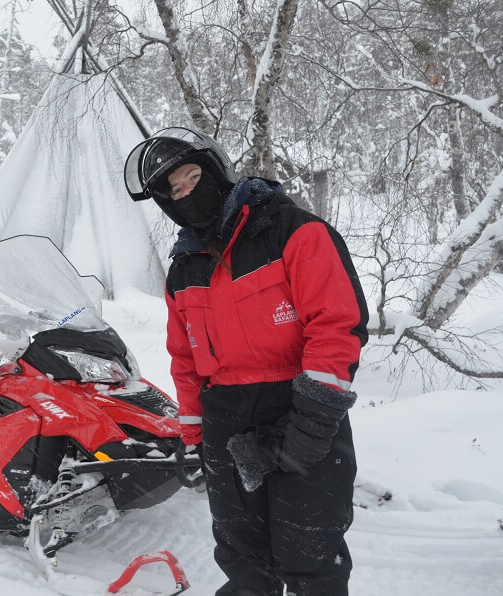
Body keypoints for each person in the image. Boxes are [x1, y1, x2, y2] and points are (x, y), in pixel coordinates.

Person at [124, 127, 369, 596]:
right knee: (242, 556)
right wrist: (194, 437)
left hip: (300, 408)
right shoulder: (184, 267)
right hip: (226, 422)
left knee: (310, 555)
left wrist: (312, 423)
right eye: (174, 190)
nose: (187, 192)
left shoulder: (294, 231)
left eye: (193, 176)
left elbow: (337, 325)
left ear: (217, 171)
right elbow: (186, 359)